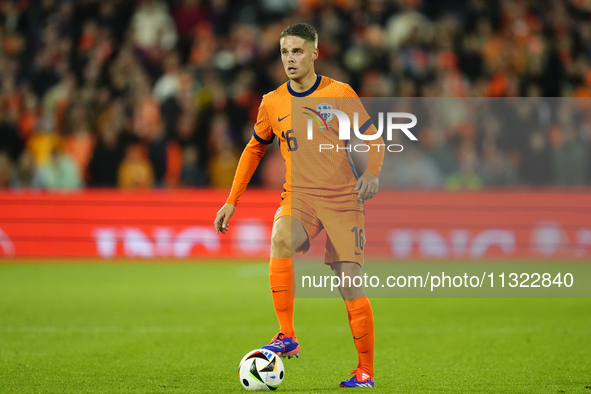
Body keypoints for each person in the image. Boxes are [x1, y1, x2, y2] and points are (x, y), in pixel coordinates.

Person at [213, 23, 384, 388]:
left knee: (349, 283)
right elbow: (254, 148)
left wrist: (371, 172)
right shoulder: (272, 102)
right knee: (280, 238)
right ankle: (287, 335)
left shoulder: (339, 93)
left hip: (342, 200)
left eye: (297, 52)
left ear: (314, 54)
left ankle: (365, 371)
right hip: (300, 197)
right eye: (285, 52)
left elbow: (373, 136)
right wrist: (232, 201)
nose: (290, 59)